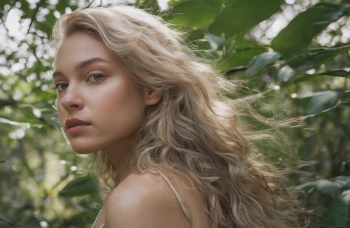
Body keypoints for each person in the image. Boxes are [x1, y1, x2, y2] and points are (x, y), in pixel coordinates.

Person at [51, 6, 299, 228]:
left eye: (95, 76)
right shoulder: (175, 182)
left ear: (151, 87)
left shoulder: (139, 197)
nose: (68, 99)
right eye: (61, 84)